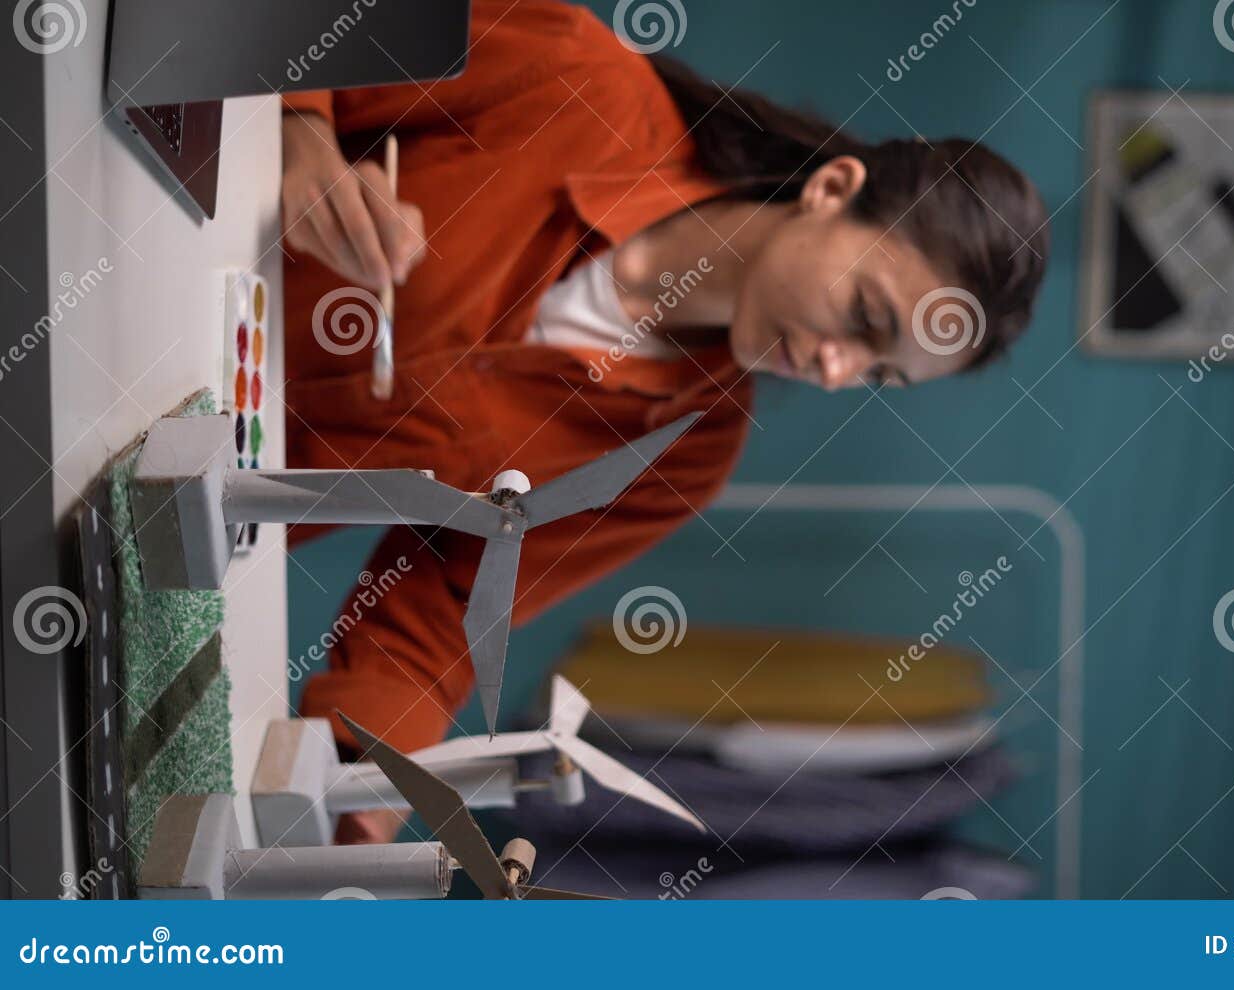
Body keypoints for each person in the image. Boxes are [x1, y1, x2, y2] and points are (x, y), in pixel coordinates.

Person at [279, 0, 1049, 842]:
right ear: (831, 191)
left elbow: (438, 614)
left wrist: (358, 814)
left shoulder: (681, 457)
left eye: (878, 374)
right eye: (864, 317)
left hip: (197, 508)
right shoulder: (577, 77)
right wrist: (302, 136)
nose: (837, 372)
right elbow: (317, 27)